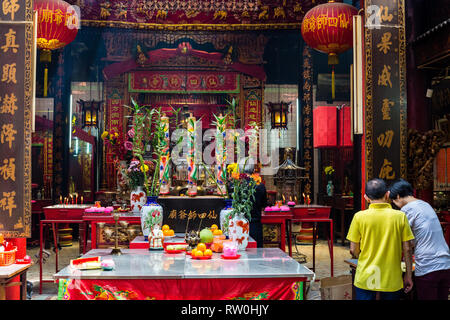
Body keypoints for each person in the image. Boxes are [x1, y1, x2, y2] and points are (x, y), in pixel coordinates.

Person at [346, 178, 415, 300]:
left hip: (365, 277)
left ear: (366, 197)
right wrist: (408, 275)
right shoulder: (400, 217)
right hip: (391, 279)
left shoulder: (359, 217)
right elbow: (407, 249)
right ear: (387, 194)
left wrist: (359, 255)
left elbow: (353, 250)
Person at [389, 179, 450, 300]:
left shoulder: (407, 210)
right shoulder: (425, 204)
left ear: (398, 196)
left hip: (428, 266)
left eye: (394, 202)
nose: (395, 205)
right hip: (445, 264)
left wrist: (408, 275)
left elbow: (406, 244)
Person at [238, 158, 267, 248]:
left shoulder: (237, 186)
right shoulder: (260, 186)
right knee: (256, 252)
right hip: (255, 224)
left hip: (240, 225)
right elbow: (264, 204)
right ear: (253, 169)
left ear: (240, 170)